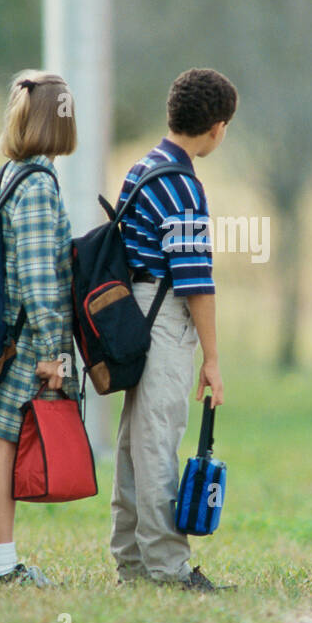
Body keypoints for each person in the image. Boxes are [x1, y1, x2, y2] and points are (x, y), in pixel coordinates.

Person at [110, 68, 236, 592]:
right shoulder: (183, 186)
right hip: (163, 318)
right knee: (158, 440)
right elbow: (195, 282)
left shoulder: (142, 168)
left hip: (131, 314)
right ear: (217, 128)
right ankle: (168, 567)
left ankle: (132, 561)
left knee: (135, 442)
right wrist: (211, 357)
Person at [0, 70, 77, 587]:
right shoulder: (37, 184)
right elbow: (38, 276)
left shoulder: (14, 173)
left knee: (1, 443)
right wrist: (56, 352)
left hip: (10, 333)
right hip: (27, 339)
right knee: (6, 445)